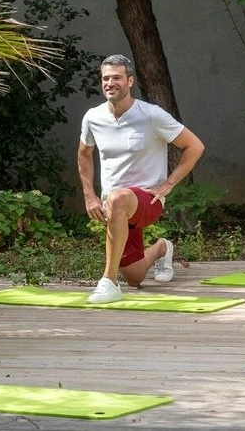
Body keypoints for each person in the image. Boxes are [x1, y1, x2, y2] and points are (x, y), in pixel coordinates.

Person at [78, 54, 206, 304]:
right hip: (115, 210)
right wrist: (89, 195)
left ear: (130, 81)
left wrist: (168, 184)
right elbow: (84, 154)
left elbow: (194, 146)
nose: (110, 83)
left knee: (118, 198)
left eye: (116, 77)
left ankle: (108, 282)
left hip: (148, 201)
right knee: (135, 276)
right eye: (105, 78)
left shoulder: (151, 115)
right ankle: (161, 248)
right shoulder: (93, 117)